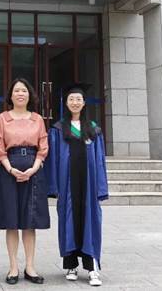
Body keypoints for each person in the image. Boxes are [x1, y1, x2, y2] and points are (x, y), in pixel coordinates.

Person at [45, 83, 108, 287]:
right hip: (67, 184)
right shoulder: (58, 129)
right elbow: (53, 160)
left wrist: (100, 188)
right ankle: (71, 265)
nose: (75, 102)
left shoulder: (93, 129)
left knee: (90, 222)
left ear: (84, 103)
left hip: (88, 185)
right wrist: (54, 187)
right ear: (66, 103)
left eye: (78, 99)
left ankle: (92, 267)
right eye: (71, 99)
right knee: (68, 221)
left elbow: (100, 161)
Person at [0, 78, 50, 285]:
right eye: (16, 91)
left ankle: (30, 267)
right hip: (9, 170)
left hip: (34, 169)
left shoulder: (37, 119)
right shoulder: (2, 118)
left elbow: (43, 146)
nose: (20, 94)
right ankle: (13, 267)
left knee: (29, 221)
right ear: (11, 95)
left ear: (29, 94)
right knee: (12, 221)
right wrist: (10, 168)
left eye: (24, 90)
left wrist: (34, 168)